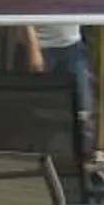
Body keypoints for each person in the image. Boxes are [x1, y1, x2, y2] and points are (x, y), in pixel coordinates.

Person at [20, 20, 93, 168]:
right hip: (43, 48)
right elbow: (22, 15)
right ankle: (41, 166)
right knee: (40, 110)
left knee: (83, 110)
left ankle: (83, 167)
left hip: (73, 47)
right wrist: (33, 48)